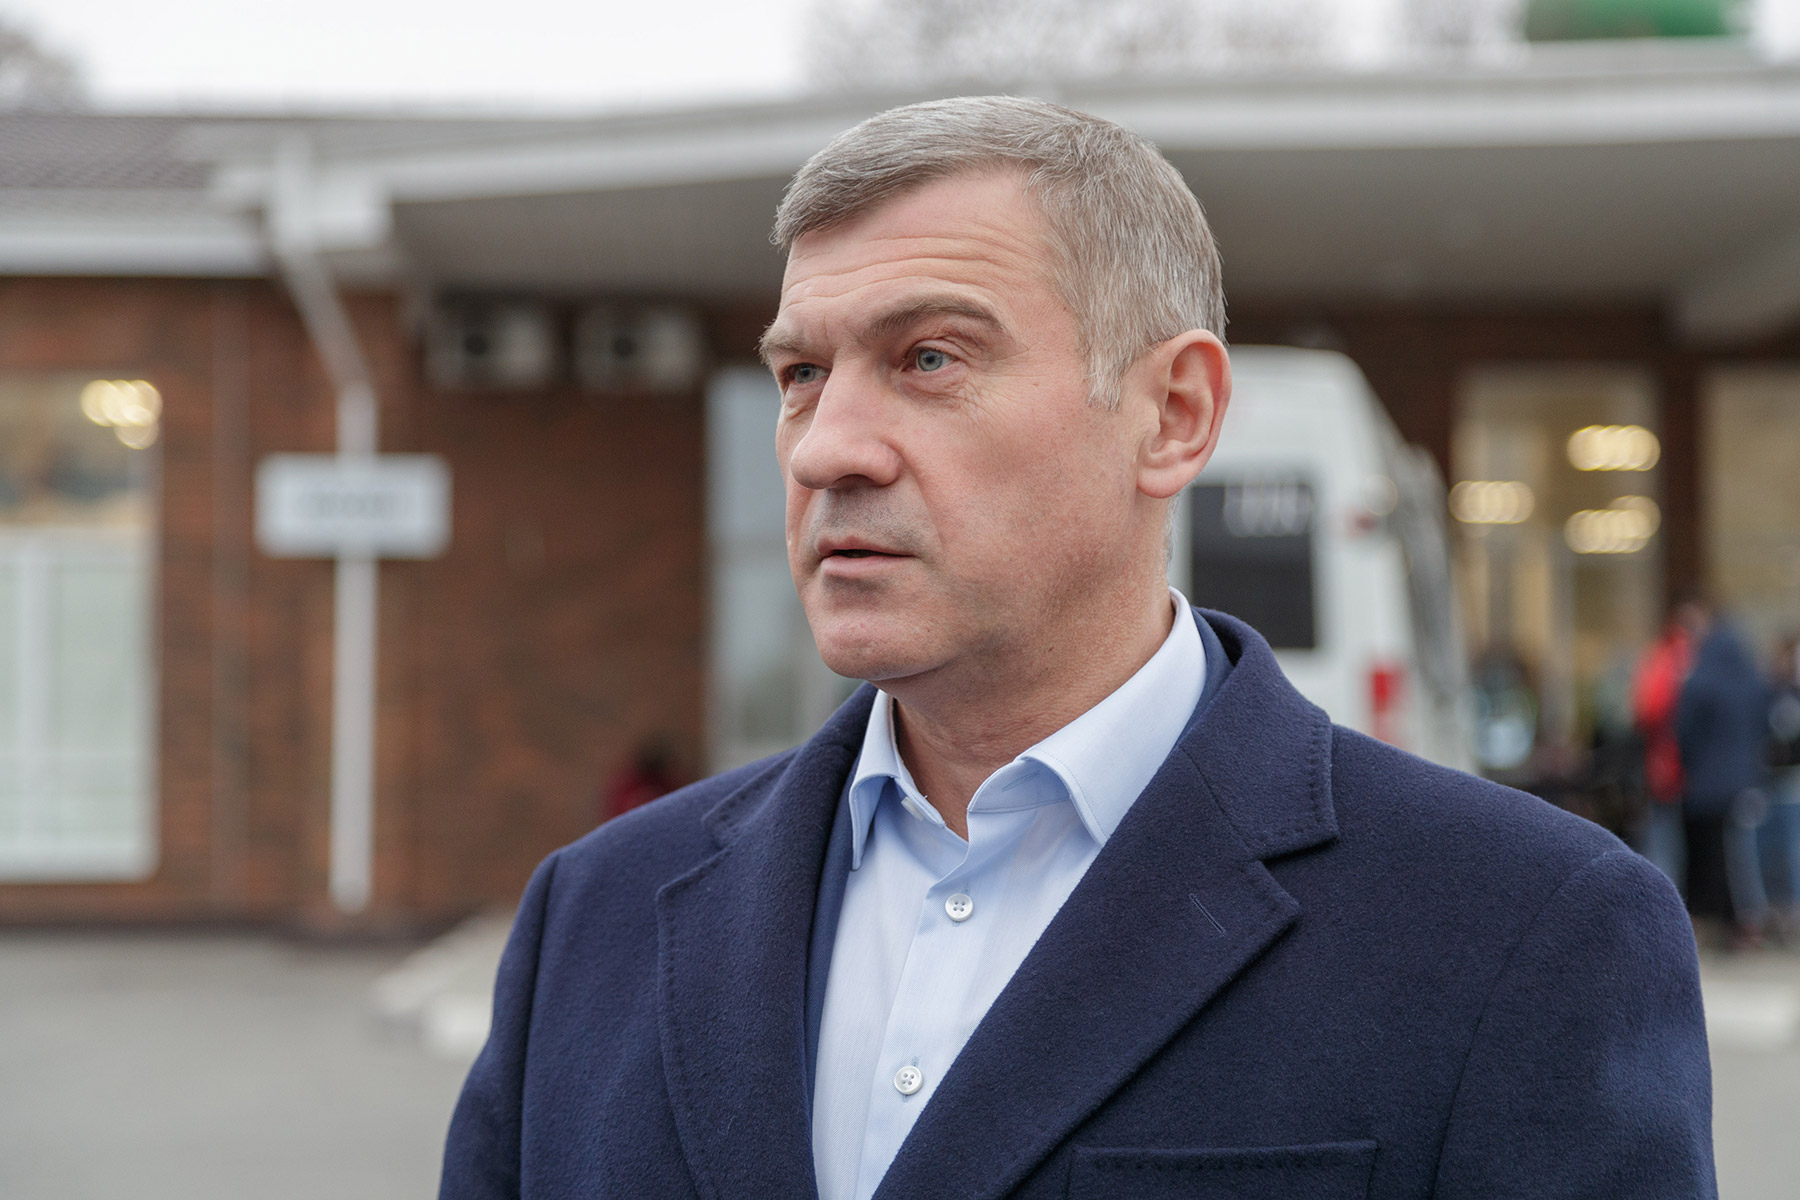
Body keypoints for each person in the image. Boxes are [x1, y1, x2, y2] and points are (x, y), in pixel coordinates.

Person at [440, 96, 1713, 1200]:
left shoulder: (1524, 933)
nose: (826, 447)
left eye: (928, 357)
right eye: (801, 376)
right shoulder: (592, 919)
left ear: (1174, 416)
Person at [1678, 610, 1774, 948]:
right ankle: (1745, 923)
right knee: (1742, 856)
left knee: (1706, 857)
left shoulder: (1700, 680)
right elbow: (1765, 727)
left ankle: (1711, 920)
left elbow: (1685, 733)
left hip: (1704, 786)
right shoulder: (1753, 680)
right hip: (1746, 782)